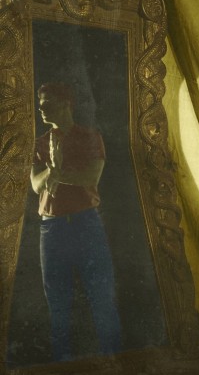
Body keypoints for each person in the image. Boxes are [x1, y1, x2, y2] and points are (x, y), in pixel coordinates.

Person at [30, 82, 121, 361]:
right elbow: (36, 185)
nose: (41, 109)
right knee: (57, 303)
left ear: (66, 104)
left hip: (85, 224)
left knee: (102, 298)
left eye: (48, 103)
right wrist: (52, 169)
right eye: (40, 104)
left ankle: (114, 362)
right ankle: (63, 364)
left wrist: (58, 174)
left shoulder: (90, 137)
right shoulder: (40, 143)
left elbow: (91, 177)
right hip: (52, 228)